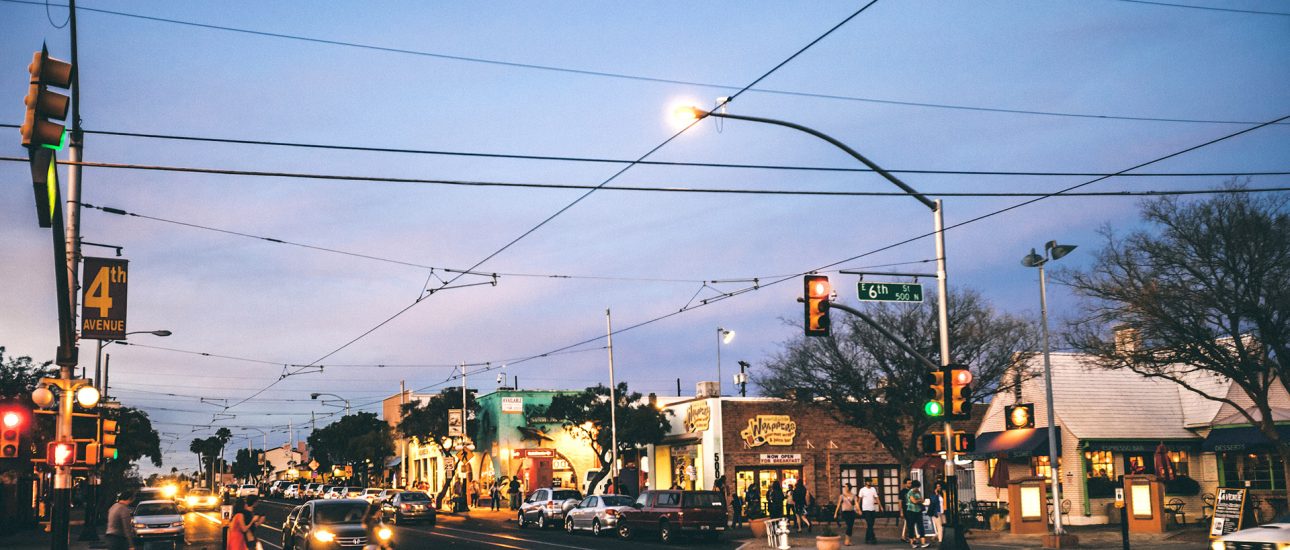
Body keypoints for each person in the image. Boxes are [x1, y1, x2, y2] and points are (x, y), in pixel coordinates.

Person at [904, 480, 928, 548]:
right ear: (913, 487)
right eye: (916, 487)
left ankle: (923, 542)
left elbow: (922, 500)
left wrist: (919, 500)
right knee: (911, 526)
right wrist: (919, 500)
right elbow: (914, 501)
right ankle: (912, 543)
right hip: (911, 511)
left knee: (921, 526)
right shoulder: (910, 492)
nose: (917, 489)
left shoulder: (918, 492)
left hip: (918, 511)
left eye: (918, 487)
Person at [858, 478, 882, 545]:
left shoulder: (873, 489)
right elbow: (859, 499)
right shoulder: (862, 490)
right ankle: (872, 538)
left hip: (872, 509)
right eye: (868, 482)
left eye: (870, 482)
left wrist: (880, 506)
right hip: (865, 509)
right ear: (865, 482)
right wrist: (858, 508)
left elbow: (876, 498)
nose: (869, 483)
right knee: (869, 523)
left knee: (871, 524)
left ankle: (867, 538)